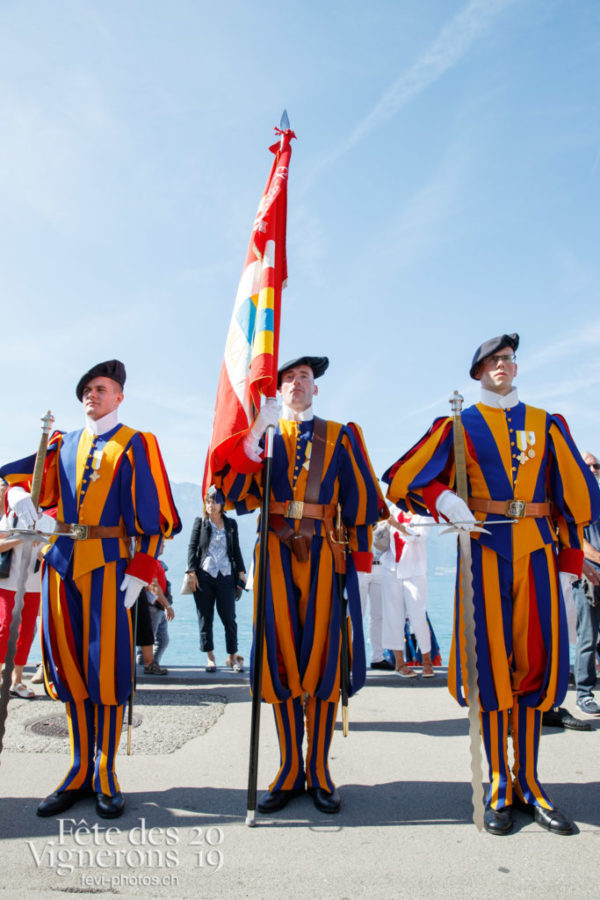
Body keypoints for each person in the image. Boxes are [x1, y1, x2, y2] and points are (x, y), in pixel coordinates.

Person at [383, 333, 600, 836]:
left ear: (516, 369)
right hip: (484, 550)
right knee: (491, 672)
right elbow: (403, 479)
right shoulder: (458, 425)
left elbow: (579, 498)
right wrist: (444, 500)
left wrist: (569, 556)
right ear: (478, 372)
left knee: (535, 667)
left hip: (537, 555)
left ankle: (532, 783)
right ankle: (501, 783)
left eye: (508, 359)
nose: (501, 365)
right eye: (491, 361)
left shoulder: (548, 424)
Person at [0, 359, 181, 818]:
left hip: (109, 567)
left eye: (101, 388)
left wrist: (142, 570)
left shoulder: (136, 443)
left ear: (119, 396)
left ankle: (106, 770)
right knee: (71, 671)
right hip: (61, 565)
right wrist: (19, 497)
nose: (91, 394)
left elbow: (154, 515)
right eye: (86, 388)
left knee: (106, 672)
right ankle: (78, 767)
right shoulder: (61, 442)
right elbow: (16, 478)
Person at [213, 355, 384, 814]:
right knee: (279, 657)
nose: (296, 384)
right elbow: (231, 495)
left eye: (304, 377)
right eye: (288, 378)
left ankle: (320, 769)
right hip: (273, 554)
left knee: (325, 659)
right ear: (279, 389)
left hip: (327, 553)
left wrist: (362, 571)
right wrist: (252, 435)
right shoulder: (263, 436)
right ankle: (290, 767)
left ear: (316, 388)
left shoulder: (341, 435)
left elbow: (361, 506)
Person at [186, 490, 246, 672]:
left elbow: (236, 549)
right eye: (208, 502)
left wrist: (241, 573)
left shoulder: (231, 524)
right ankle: (210, 658)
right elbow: (192, 547)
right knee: (205, 617)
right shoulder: (201, 523)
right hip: (204, 576)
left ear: (222, 505)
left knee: (229, 617)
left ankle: (233, 657)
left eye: (214, 502)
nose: (210, 506)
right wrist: (191, 572)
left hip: (226, 575)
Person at [380, 506, 435, 677]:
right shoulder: (393, 510)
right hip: (391, 569)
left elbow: (419, 537)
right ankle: (399, 663)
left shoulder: (424, 514)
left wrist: (397, 526)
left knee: (418, 616)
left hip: (414, 571)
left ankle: (427, 661)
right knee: (393, 617)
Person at [0, 481, 43, 699]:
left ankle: (17, 681)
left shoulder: (49, 516)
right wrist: (21, 538)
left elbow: (50, 550)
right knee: (5, 629)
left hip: (34, 584)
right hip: (9, 582)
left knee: (25, 632)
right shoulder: (14, 513)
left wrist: (42, 547)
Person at [573, 451, 600, 717]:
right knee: (588, 637)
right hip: (585, 575)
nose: (593, 470)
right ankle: (584, 693)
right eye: (588, 466)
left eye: (596, 466)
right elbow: (576, 540)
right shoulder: (575, 499)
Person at [357, 517, 393, 670]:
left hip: (379, 567)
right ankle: (354, 656)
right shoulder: (359, 517)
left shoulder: (385, 517)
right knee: (357, 615)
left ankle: (377, 657)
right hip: (361, 566)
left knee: (378, 615)